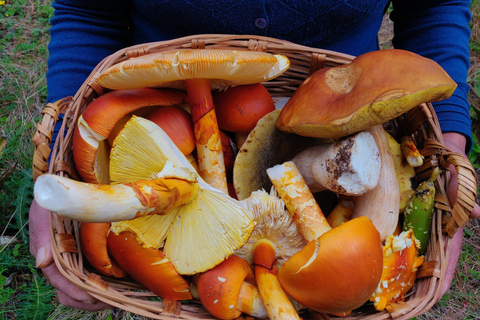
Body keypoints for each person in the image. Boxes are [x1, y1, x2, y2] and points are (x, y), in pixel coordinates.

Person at [30, 0, 480, 311]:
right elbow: (88, 11)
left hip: (341, 105)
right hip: (160, 108)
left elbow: (434, 7)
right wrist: (60, 154)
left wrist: (448, 144)